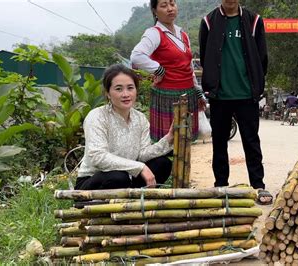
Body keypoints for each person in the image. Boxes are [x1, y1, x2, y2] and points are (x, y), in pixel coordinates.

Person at [199, 0, 272, 204]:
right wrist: (212, 83)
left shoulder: (254, 21)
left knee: (251, 141)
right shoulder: (208, 22)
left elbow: (262, 57)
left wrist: (255, 82)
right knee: (219, 143)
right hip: (220, 95)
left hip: (246, 94)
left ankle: (258, 186)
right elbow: (206, 56)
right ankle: (221, 185)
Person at [75, 64, 174, 190]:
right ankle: (95, 206)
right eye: (118, 89)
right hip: (94, 181)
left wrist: (169, 138)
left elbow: (142, 154)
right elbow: (97, 157)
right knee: (118, 177)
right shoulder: (97, 116)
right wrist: (140, 167)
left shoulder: (140, 118)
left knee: (162, 164)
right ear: (107, 93)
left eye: (130, 88)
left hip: (127, 178)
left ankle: (137, 202)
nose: (126, 94)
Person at [130, 0, 205, 142]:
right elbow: (136, 56)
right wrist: (159, 70)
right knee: (167, 144)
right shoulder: (154, 33)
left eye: (172, 4)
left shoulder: (182, 34)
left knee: (185, 145)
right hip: (167, 96)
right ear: (154, 11)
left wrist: (197, 90)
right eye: (164, 6)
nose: (170, 9)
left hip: (188, 94)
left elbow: (188, 66)